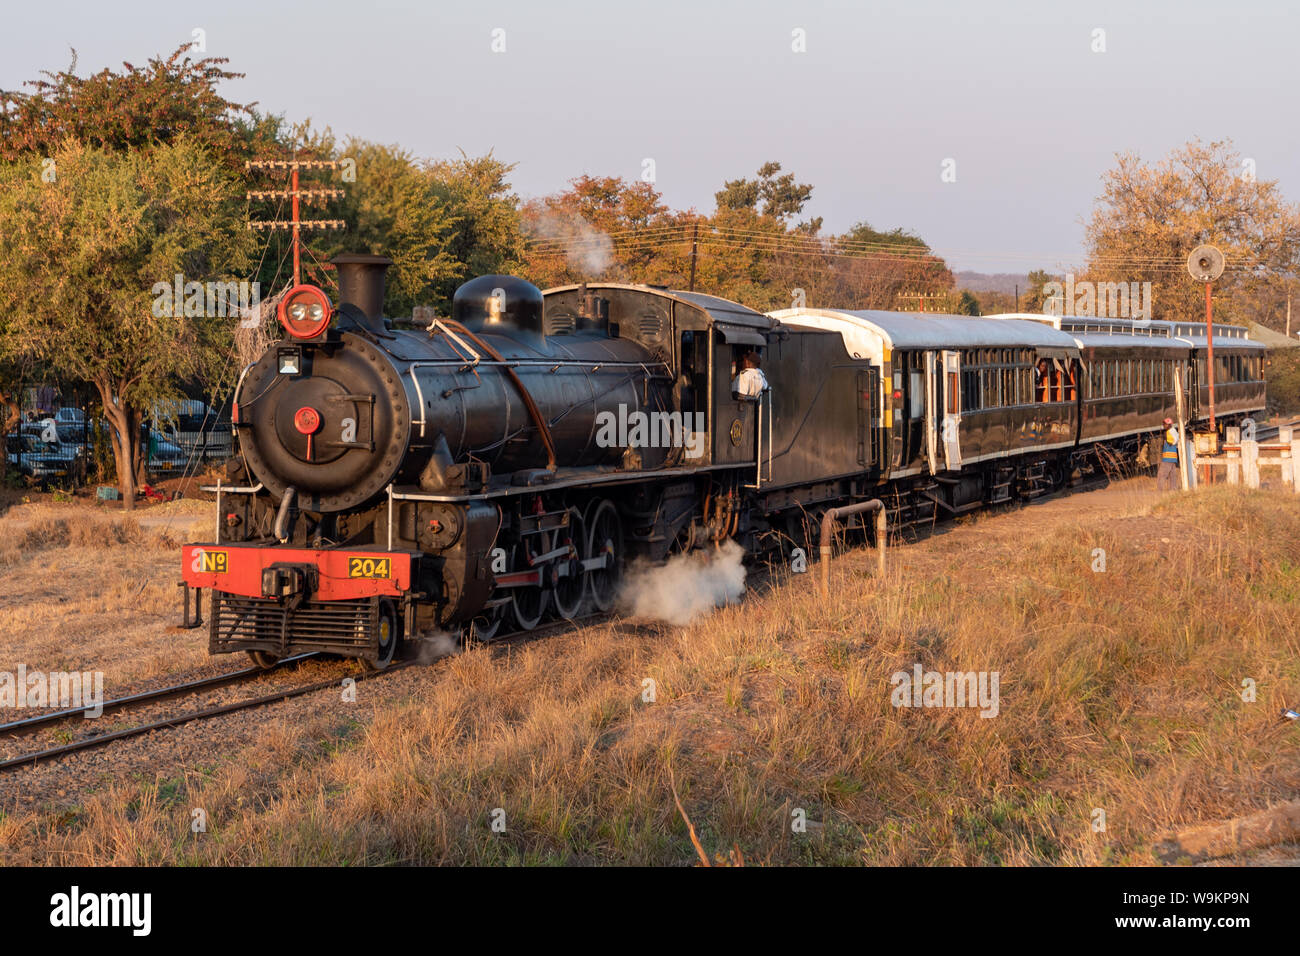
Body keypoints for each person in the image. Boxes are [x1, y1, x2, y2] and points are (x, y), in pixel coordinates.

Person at [1156, 417, 1180, 491]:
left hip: (1167, 458)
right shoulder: (1174, 431)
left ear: (1169, 425)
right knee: (1173, 476)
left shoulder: (1169, 432)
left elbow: (1171, 442)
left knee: (1161, 475)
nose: (1163, 426)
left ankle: (1159, 492)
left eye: (1165, 424)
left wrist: (1165, 436)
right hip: (1173, 458)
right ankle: (1173, 490)